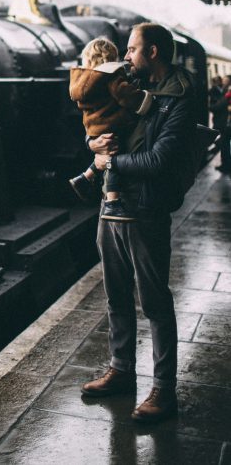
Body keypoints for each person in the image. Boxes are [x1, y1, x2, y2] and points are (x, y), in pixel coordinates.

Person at [80, 23, 197, 423]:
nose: (125, 56)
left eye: (132, 49)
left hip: (145, 211)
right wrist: (93, 145)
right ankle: (121, 371)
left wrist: (108, 161)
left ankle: (164, 392)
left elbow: (158, 162)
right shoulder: (130, 81)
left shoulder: (179, 97)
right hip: (111, 207)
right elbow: (102, 119)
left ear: (154, 52)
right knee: (116, 298)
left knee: (155, 304)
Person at [68, 37, 152, 221]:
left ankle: (85, 177)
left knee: (106, 157)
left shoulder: (82, 79)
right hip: (112, 123)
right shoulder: (110, 75)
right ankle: (113, 202)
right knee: (112, 158)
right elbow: (125, 96)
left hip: (93, 126)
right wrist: (145, 99)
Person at [211, 74, 231, 172]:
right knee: (224, 143)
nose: (223, 81)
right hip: (225, 122)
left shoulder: (228, 92)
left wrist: (211, 107)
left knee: (225, 144)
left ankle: (226, 165)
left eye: (225, 80)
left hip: (227, 123)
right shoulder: (224, 91)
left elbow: (219, 105)